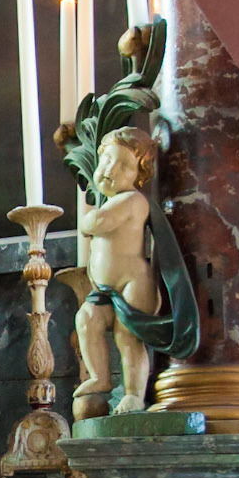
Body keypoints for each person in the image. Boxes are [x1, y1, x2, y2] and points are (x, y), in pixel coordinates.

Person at [75, 128, 159, 415]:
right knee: (86, 320)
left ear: (140, 175)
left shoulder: (133, 200)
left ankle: (134, 394)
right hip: (104, 289)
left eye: (123, 165)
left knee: (128, 338)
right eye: (106, 160)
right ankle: (99, 377)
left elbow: (98, 223)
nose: (110, 169)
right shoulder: (113, 198)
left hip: (132, 284)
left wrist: (88, 220)